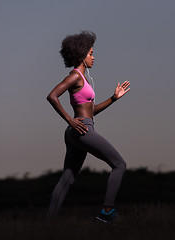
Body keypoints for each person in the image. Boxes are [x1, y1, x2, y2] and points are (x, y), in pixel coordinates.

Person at [46, 30, 130, 223]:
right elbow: (52, 95)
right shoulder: (75, 76)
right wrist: (69, 119)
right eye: (91, 53)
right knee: (119, 164)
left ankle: (48, 226)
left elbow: (90, 112)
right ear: (82, 54)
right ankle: (107, 211)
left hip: (77, 130)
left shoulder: (82, 79)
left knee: (67, 179)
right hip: (82, 129)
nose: (94, 57)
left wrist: (113, 98)